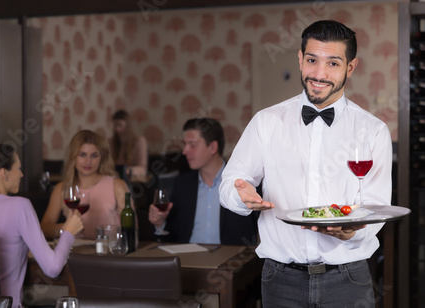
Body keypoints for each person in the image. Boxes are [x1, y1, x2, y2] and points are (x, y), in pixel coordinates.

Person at [219, 20, 392, 307]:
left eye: (333, 63)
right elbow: (230, 182)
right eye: (312, 60)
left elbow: (376, 206)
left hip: (348, 280)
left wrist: (352, 232)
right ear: (300, 60)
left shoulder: (372, 130)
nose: (319, 74)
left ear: (351, 67)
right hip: (280, 279)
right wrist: (241, 194)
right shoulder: (266, 122)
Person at [0, 144, 84, 308]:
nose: (21, 174)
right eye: (18, 168)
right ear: (4, 173)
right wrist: (68, 232)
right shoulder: (20, 206)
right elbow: (52, 268)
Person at [149, 118, 258, 245]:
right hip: (188, 261)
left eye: (192, 145)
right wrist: (160, 223)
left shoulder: (242, 183)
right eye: (185, 144)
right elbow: (174, 238)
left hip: (231, 261)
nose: (184, 151)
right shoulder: (182, 184)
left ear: (212, 147)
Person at [41, 129, 131, 240]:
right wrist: (64, 229)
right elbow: (44, 228)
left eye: (94, 155)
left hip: (109, 254)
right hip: (76, 254)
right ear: (73, 157)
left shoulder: (117, 185)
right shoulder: (61, 189)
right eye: (82, 155)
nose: (88, 161)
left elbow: (132, 230)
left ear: (101, 158)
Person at [109, 109, 148, 181]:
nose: (117, 129)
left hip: (133, 181)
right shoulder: (111, 142)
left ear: (127, 126)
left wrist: (124, 171)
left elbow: (142, 168)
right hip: (114, 179)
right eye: (115, 125)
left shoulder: (139, 141)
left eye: (120, 125)